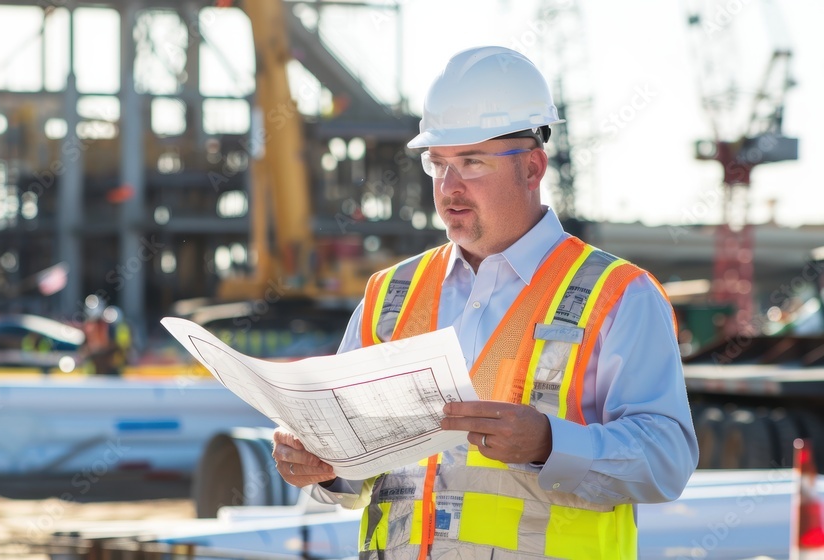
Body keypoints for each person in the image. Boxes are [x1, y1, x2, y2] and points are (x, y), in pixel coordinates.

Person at [271, 46, 699, 559]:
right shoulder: (391, 295)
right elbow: (358, 465)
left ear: (533, 168)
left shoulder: (619, 296)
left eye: (472, 162)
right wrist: (320, 463)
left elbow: (668, 459)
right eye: (439, 164)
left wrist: (550, 444)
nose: (449, 188)